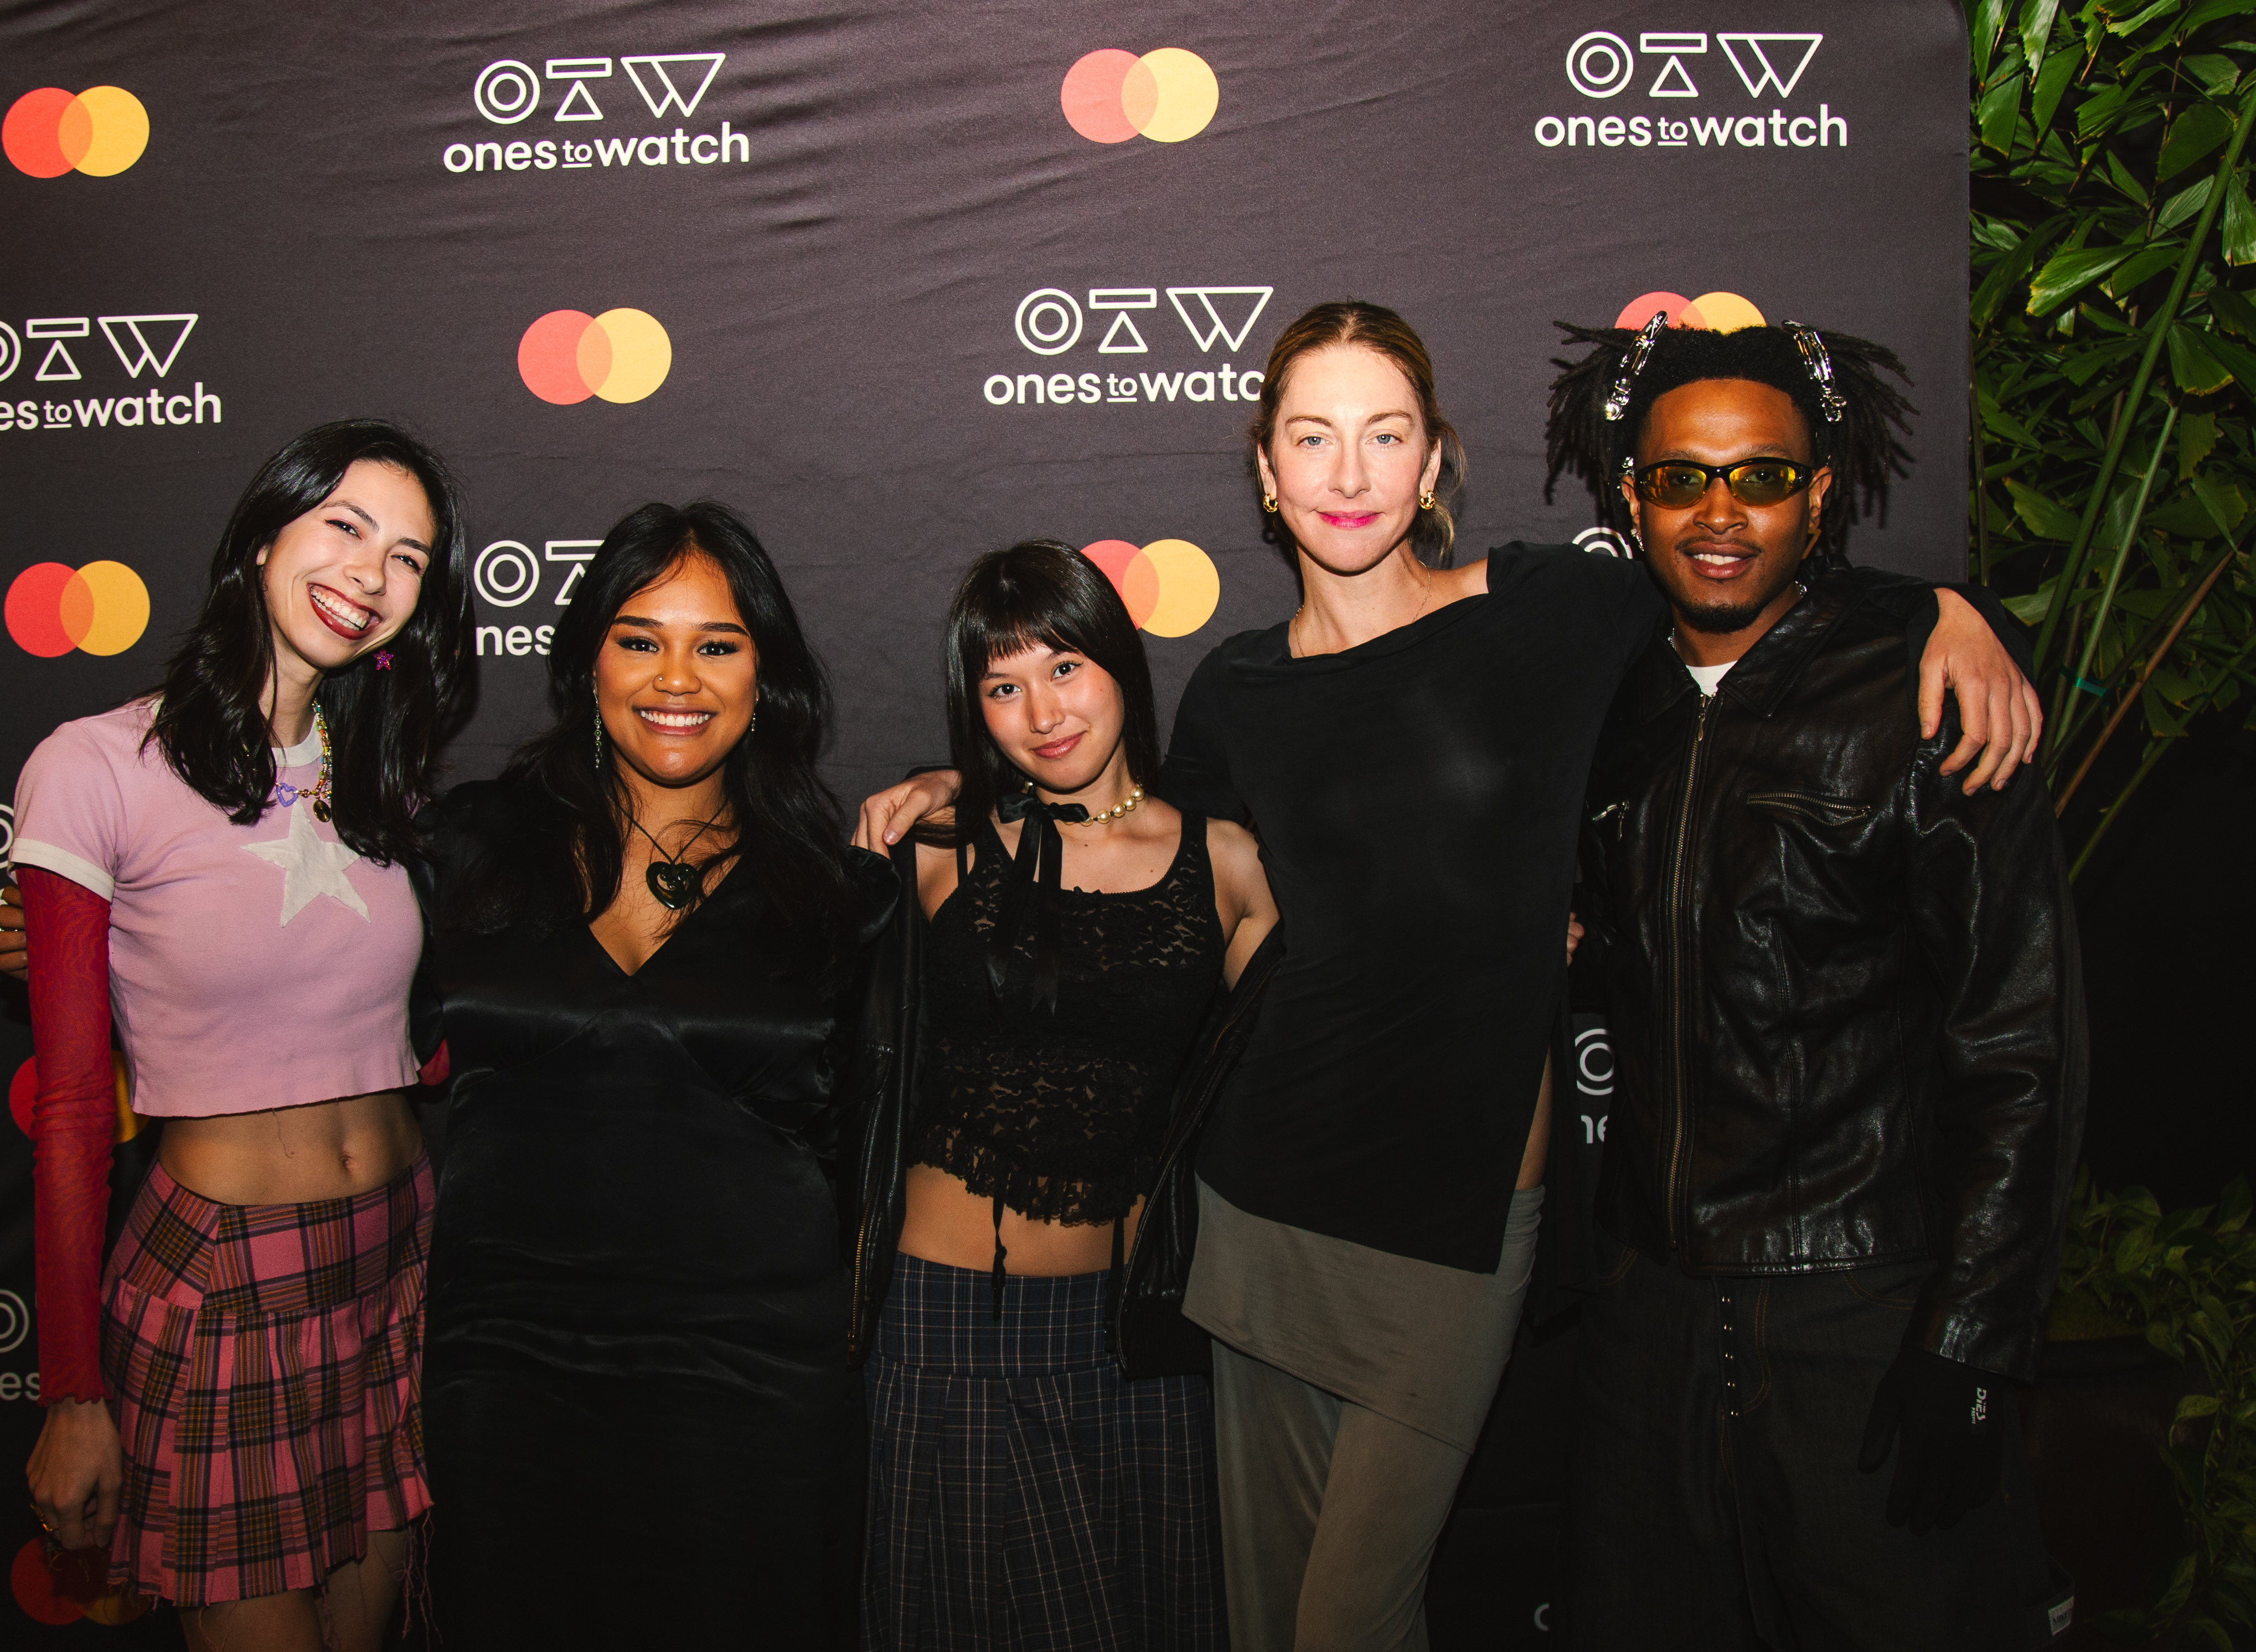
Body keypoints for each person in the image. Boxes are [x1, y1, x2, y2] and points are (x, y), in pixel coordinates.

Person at [855, 301, 2040, 1652]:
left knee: (1353, 1620)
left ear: (1433, 462)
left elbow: (1733, 563)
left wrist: (1945, 608)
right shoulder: (1236, 689)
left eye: (1384, 435)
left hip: (1459, 1225)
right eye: (1314, 437)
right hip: (1259, 1209)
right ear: (1264, 469)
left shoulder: (1547, 610)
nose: (1348, 474)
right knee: (1269, 1624)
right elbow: (1137, 843)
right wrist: (975, 780)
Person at [1547, 318, 2083, 1649]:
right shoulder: (1606, 702)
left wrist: (1973, 1337)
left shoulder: (1928, 692)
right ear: (1631, 498)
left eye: (1764, 478)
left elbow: (2020, 1041)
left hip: (1862, 1304)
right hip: (1651, 1315)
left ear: (1822, 492)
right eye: (1681, 479)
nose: (1720, 514)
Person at [6, 419, 474, 1649]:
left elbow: (420, 1033)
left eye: (411, 558)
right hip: (222, 1287)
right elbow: (67, 1109)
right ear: (266, 533)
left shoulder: (387, 783)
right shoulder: (94, 766)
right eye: (346, 527)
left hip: (392, 1266)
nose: (373, 575)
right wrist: (71, 1392)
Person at [409, 501, 895, 1647]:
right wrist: (103, 938)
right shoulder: (463, 847)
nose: (676, 676)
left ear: (764, 675)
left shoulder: (841, 893)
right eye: (640, 639)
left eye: (717, 645)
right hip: (508, 1371)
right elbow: (280, 960)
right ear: (585, 661)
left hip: (758, 1386)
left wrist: (968, 789)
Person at [850, 540, 1277, 1649]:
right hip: (950, 1325)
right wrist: (948, 794)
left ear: (1123, 667)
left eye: (1065, 668)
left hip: (1133, 1339)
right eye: (1002, 686)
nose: (1041, 711)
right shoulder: (935, 850)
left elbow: (1313, 1053)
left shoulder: (1226, 864)